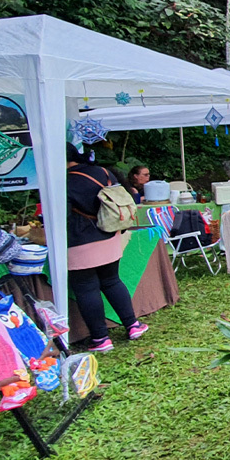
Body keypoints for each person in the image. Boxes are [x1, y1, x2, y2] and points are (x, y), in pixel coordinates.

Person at [66, 144, 147, 352]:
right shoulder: (102, 171)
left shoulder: (63, 181)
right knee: (111, 280)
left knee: (86, 287)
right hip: (109, 233)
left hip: (78, 239)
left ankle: (101, 338)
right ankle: (132, 325)